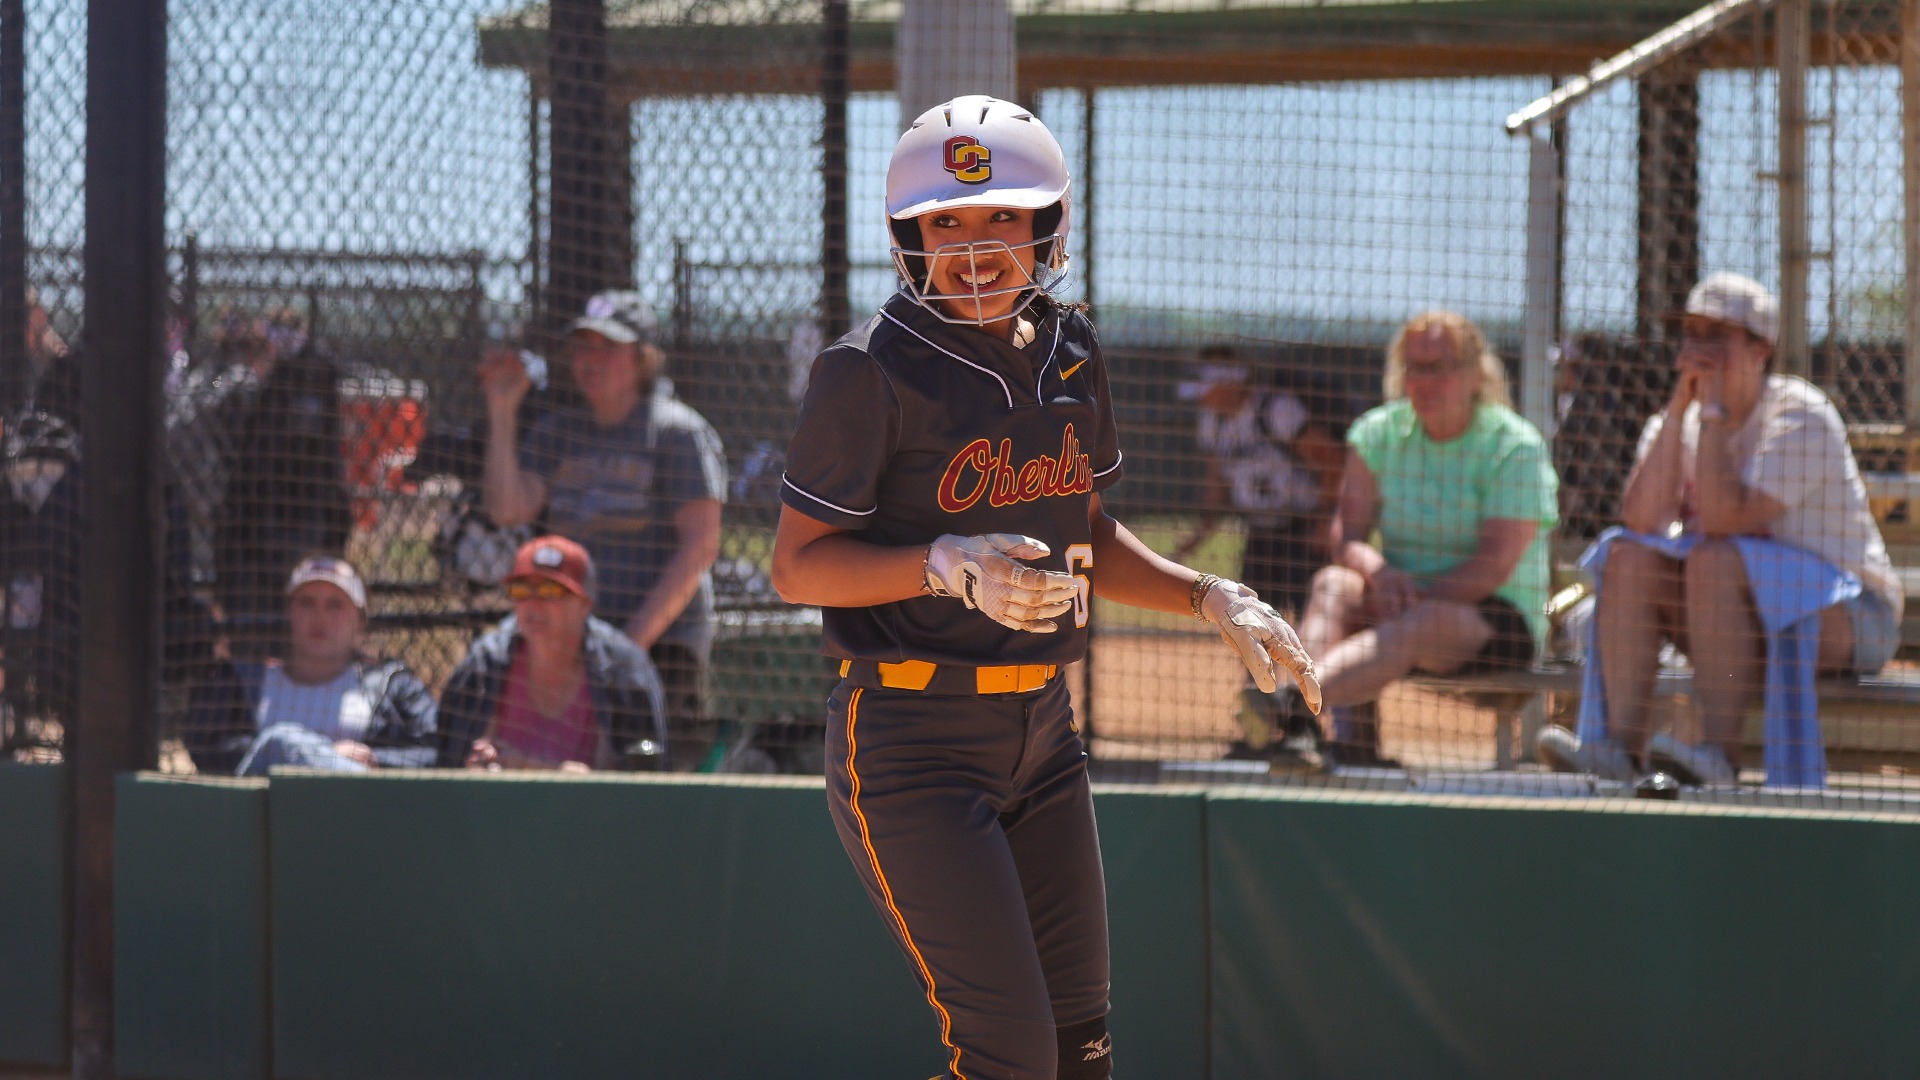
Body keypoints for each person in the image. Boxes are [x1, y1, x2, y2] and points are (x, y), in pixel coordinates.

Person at [770, 95, 1320, 1080]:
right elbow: (796, 564)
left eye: (999, 216)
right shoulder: (869, 370)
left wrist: (1209, 595)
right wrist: (937, 563)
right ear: (910, 241)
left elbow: (1087, 531)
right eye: (946, 222)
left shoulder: (1071, 348)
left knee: (1081, 1049)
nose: (975, 246)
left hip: (1046, 737)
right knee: (1011, 1055)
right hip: (910, 741)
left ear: (1045, 228)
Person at [1535, 273, 1904, 785]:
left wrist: (1709, 415)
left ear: (1761, 350)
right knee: (1630, 558)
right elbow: (1640, 521)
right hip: (1733, 620)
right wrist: (1681, 410)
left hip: (1852, 616)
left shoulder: (1801, 414)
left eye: (1717, 335)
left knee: (1713, 556)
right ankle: (1616, 749)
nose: (1698, 348)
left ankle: (1718, 757)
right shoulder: (1675, 421)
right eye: (1691, 333)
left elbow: (1726, 519)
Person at [1248, 310, 1558, 768]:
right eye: (1413, 367)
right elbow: (1346, 535)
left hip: (1490, 618)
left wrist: (1414, 599)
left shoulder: (1515, 446)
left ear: (1477, 375)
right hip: (1396, 600)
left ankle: (1289, 701)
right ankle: (1306, 733)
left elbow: (1495, 562)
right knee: (1335, 582)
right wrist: (1380, 573)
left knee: (1423, 622)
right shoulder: (1378, 433)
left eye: (1439, 367)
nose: (1423, 380)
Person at [479, 294, 726, 769]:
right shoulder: (558, 432)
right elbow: (508, 508)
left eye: (607, 348)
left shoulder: (676, 431)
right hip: (572, 646)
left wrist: (629, 647)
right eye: (582, 347)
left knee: (645, 773)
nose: (590, 360)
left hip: (659, 646)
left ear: (643, 358)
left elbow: (701, 547)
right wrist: (503, 411)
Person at [1171, 347, 1356, 767]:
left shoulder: (1276, 409)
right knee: (1250, 627)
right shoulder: (1214, 422)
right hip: (1262, 534)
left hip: (1302, 532)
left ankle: (1304, 726)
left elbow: (1331, 463)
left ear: (1232, 380)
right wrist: (1198, 536)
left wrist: (1326, 520)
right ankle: (1257, 732)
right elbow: (1217, 481)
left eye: (1208, 387)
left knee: (1307, 631)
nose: (1202, 397)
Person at [180, 557, 437, 775]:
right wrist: (314, 755)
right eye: (306, 602)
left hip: (359, 813)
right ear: (288, 612)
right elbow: (206, 747)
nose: (319, 617)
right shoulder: (244, 681)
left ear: (359, 621)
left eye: (335, 605)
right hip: (267, 817)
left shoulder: (392, 685)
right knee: (280, 743)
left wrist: (375, 759)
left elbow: (436, 750)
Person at [437, 536, 667, 772]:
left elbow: (628, 788)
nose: (533, 604)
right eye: (522, 589)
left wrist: (524, 765)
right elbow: (452, 771)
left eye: (550, 590)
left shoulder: (623, 670)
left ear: (584, 603)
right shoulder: (485, 664)